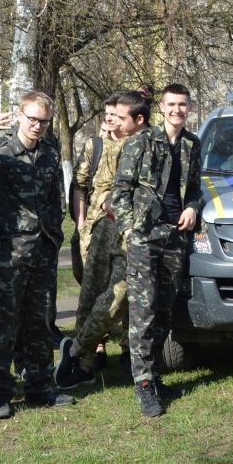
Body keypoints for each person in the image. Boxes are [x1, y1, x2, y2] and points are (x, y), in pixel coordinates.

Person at [111, 83, 204, 417]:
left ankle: (155, 374)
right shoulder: (140, 143)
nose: (177, 110)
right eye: (171, 105)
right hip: (144, 236)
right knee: (143, 310)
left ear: (188, 108)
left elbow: (194, 188)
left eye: (182, 105)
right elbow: (119, 190)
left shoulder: (193, 144)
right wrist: (129, 228)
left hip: (175, 237)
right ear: (161, 108)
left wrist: (193, 207)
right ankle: (145, 383)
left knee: (164, 308)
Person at [0, 91, 74, 418]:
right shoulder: (1, 157)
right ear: (20, 116)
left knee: (40, 321)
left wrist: (53, 235)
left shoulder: (50, 155)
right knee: (4, 325)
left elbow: (56, 201)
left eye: (43, 121)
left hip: (43, 252)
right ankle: (0, 393)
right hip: (9, 255)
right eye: (32, 118)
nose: (37, 126)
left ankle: (40, 387)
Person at [56, 90, 148, 388]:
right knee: (90, 296)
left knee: (118, 296)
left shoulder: (151, 145)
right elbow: (96, 188)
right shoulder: (104, 145)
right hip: (102, 228)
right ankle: (84, 364)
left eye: (120, 117)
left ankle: (77, 349)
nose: (113, 121)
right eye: (112, 116)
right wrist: (86, 221)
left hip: (131, 233)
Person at [69, 94, 120, 329]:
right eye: (106, 114)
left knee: (120, 285)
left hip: (122, 225)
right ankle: (94, 347)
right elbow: (79, 185)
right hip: (94, 226)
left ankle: (126, 348)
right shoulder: (95, 144)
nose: (109, 119)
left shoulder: (137, 143)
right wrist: (80, 224)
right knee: (92, 287)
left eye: (114, 114)